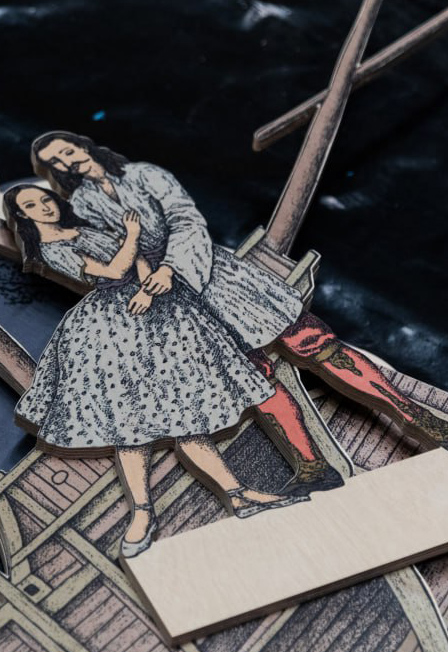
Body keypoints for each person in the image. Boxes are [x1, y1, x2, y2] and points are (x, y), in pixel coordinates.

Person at [31, 131, 448, 457]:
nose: (67, 161)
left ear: (81, 145)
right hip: (173, 301)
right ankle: (310, 461)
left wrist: (172, 267)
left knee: (311, 343)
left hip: (210, 271)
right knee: (250, 375)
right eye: (56, 162)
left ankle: (413, 414)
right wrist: (146, 278)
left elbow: (185, 219)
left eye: (67, 150)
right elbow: (122, 250)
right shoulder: (83, 203)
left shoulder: (144, 174)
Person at [4, 185, 305, 558]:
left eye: (45, 199)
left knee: (185, 411)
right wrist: (131, 236)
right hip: (110, 329)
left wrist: (148, 288)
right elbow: (113, 270)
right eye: (31, 205)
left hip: (155, 312)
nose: (43, 206)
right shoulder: (48, 249)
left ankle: (238, 494)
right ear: (21, 216)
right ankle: (142, 513)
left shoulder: (84, 229)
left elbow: (140, 261)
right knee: (131, 422)